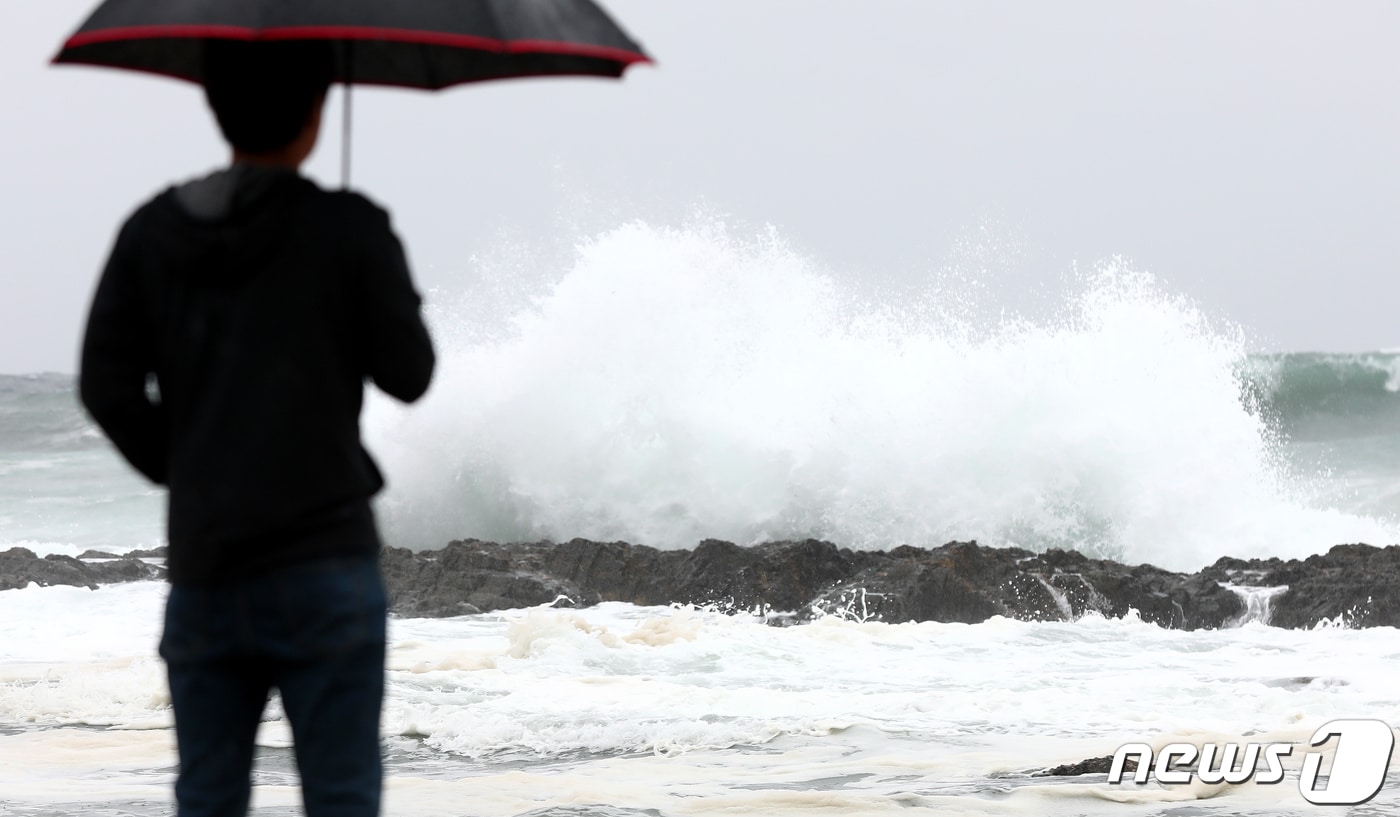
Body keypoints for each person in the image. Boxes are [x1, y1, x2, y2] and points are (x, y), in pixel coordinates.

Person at [78, 39, 435, 817]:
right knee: (342, 796)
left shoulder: (153, 232)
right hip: (326, 564)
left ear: (214, 106)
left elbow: (104, 383)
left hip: (210, 566)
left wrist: (185, 466)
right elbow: (410, 374)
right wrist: (377, 277)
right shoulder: (350, 228)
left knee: (208, 796)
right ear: (316, 111)